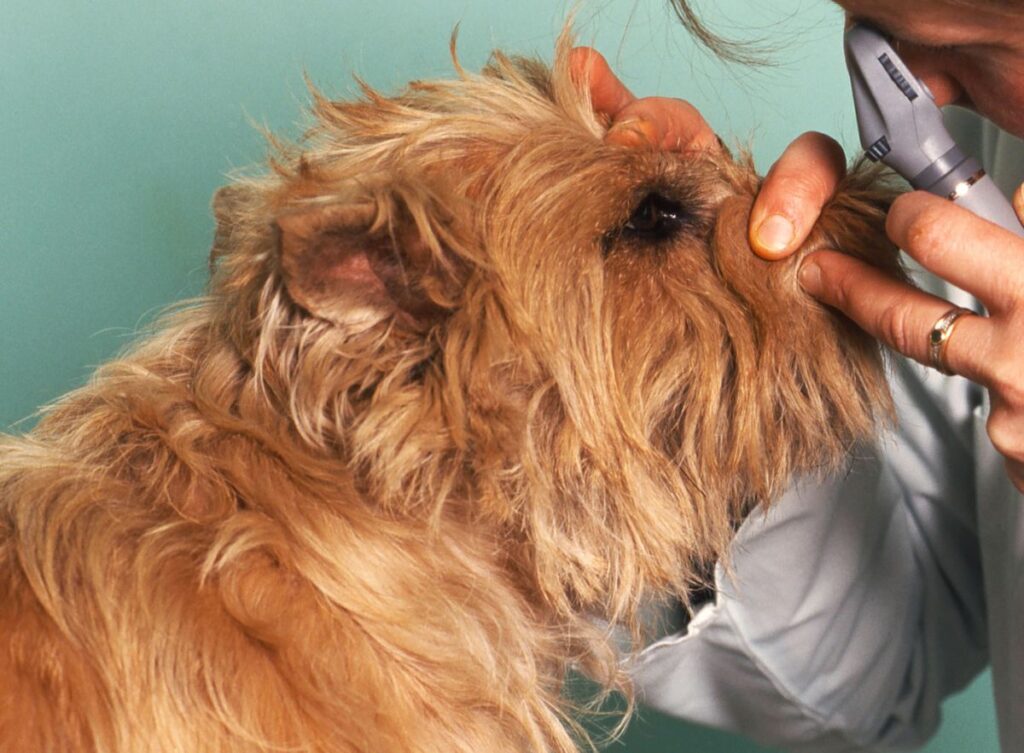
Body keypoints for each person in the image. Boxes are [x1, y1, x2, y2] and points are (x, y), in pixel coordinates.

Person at [571, 0, 1024, 750]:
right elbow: (879, 668)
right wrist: (712, 376)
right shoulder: (996, 141)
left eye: (970, 39)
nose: (910, 86)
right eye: (868, 23)